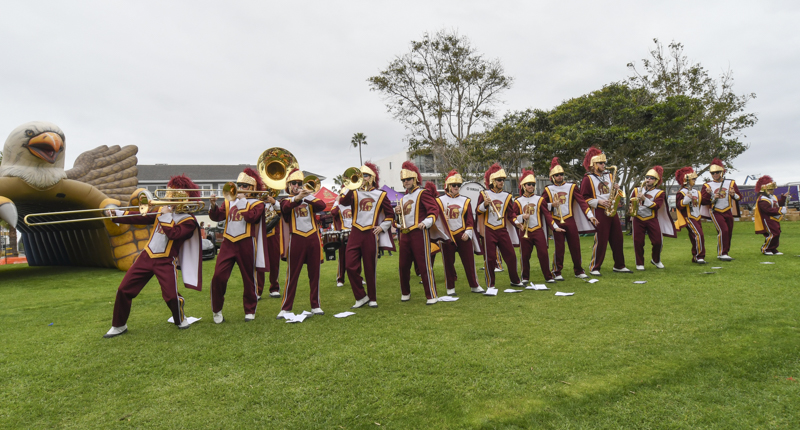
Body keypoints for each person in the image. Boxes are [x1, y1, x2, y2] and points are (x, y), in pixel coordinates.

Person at [103, 174, 202, 338]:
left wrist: (165, 215)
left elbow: (173, 234)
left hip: (165, 261)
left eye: (173, 195)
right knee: (123, 290)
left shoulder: (189, 220)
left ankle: (180, 319)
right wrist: (117, 213)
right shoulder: (160, 211)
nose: (168, 198)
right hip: (146, 256)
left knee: (171, 297)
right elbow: (138, 216)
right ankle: (119, 325)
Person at [208, 168, 269, 323]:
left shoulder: (258, 203)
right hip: (228, 242)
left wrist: (242, 201)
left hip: (246, 242)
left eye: (245, 186)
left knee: (248, 278)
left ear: (253, 188)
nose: (241, 188)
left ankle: (250, 309)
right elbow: (217, 217)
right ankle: (217, 309)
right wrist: (213, 205)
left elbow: (251, 218)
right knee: (218, 276)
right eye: (239, 184)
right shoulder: (229, 201)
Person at [339, 162, 395, 308]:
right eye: (361, 175)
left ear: (372, 177)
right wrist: (352, 187)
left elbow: (390, 214)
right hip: (355, 232)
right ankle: (360, 296)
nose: (362, 178)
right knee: (350, 266)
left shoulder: (381, 194)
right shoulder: (354, 192)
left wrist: (382, 227)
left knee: (370, 267)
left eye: (365, 175)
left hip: (370, 233)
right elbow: (343, 202)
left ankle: (372, 298)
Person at [395, 161, 451, 304]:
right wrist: (398, 213)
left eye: (408, 179)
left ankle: (431, 294)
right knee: (403, 265)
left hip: (419, 233)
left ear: (415, 179)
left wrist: (426, 223)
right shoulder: (403, 198)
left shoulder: (423, 193)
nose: (405, 182)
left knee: (424, 264)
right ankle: (405, 292)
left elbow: (434, 210)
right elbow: (403, 218)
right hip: (405, 234)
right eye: (403, 180)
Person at [276, 168, 327, 318]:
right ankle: (286, 307)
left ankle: (315, 305)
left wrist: (307, 196)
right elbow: (285, 208)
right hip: (296, 238)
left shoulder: (310, 198)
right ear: (288, 185)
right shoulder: (286, 200)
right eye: (294, 183)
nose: (297, 185)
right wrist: (298, 197)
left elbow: (322, 206)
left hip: (312, 238)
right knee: (292, 274)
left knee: (314, 273)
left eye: (299, 183)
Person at [542, 158, 597, 280]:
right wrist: (552, 205)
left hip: (570, 219)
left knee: (575, 246)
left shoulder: (572, 187)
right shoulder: (548, 189)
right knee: (559, 248)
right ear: (552, 177)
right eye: (557, 175)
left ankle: (578, 270)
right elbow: (541, 205)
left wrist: (591, 216)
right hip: (556, 220)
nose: (560, 177)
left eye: (561, 174)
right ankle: (556, 271)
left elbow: (582, 202)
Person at [580, 147, 631, 275]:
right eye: (601, 163)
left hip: (611, 210)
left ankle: (619, 265)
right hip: (599, 211)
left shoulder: (609, 175)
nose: (604, 165)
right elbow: (584, 198)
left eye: (604, 163)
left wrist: (616, 188)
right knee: (601, 240)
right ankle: (595, 267)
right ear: (593, 164)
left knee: (618, 238)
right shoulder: (587, 178)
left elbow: (612, 192)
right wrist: (599, 202)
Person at [475, 163, 524, 288]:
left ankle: (515, 280)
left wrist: (517, 223)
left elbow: (510, 214)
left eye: (503, 180)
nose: (502, 182)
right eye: (499, 180)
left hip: (502, 229)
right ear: (492, 181)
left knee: (511, 256)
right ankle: (490, 284)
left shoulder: (507, 196)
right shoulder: (484, 194)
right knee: (490, 259)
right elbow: (477, 211)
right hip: (488, 229)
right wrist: (484, 205)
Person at [437, 170, 484, 294]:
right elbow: (434, 217)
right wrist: (441, 220)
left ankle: (474, 285)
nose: (456, 187)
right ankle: (450, 287)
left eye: (458, 185)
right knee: (448, 263)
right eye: (454, 185)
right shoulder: (439, 200)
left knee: (469, 261)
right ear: (448, 186)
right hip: (447, 236)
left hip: (462, 235)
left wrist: (468, 232)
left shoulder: (465, 200)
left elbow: (469, 218)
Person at [515, 169, 563, 284]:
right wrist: (522, 217)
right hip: (524, 231)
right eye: (529, 184)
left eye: (533, 184)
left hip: (537, 230)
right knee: (525, 256)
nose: (531, 186)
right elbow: (513, 216)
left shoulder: (540, 199)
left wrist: (555, 227)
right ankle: (525, 277)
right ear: (523, 186)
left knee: (543, 253)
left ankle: (548, 276)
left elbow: (547, 215)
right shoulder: (517, 201)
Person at [630, 166, 676, 270]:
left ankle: (656, 260)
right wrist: (632, 210)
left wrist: (644, 199)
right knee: (638, 242)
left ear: (656, 181)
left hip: (651, 218)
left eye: (651, 178)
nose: (648, 179)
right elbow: (631, 202)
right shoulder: (637, 189)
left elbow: (656, 206)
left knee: (657, 241)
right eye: (647, 177)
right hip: (638, 218)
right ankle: (639, 263)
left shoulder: (660, 193)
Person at [700, 158, 741, 261]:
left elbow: (739, 197)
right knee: (723, 230)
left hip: (728, 210)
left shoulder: (730, 183)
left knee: (729, 231)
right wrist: (713, 197)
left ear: (722, 172)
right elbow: (703, 201)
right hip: (715, 211)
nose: (715, 175)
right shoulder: (707, 185)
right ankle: (722, 253)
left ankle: (725, 252)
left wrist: (733, 194)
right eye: (713, 173)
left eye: (717, 172)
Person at [674, 167, 706, 263]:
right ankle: (699, 256)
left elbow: (704, 201)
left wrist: (711, 195)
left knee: (695, 236)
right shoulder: (681, 193)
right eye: (693, 179)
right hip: (688, 217)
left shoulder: (696, 192)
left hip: (697, 216)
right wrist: (685, 200)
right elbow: (678, 206)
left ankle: (696, 256)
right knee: (698, 235)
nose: (695, 181)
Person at [753, 175, 789, 255]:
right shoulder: (762, 199)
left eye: (772, 189)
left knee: (777, 233)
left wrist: (784, 199)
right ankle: (766, 248)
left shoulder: (772, 197)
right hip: (767, 219)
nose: (772, 191)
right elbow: (768, 210)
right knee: (773, 234)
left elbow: (776, 204)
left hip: (774, 219)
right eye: (770, 189)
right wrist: (780, 210)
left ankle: (773, 248)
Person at [330, 192, 353, 287]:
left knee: (356, 257)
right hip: (342, 233)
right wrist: (337, 201)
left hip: (354, 232)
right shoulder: (338, 206)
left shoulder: (353, 205)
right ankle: (340, 279)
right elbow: (333, 213)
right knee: (342, 257)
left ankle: (358, 276)